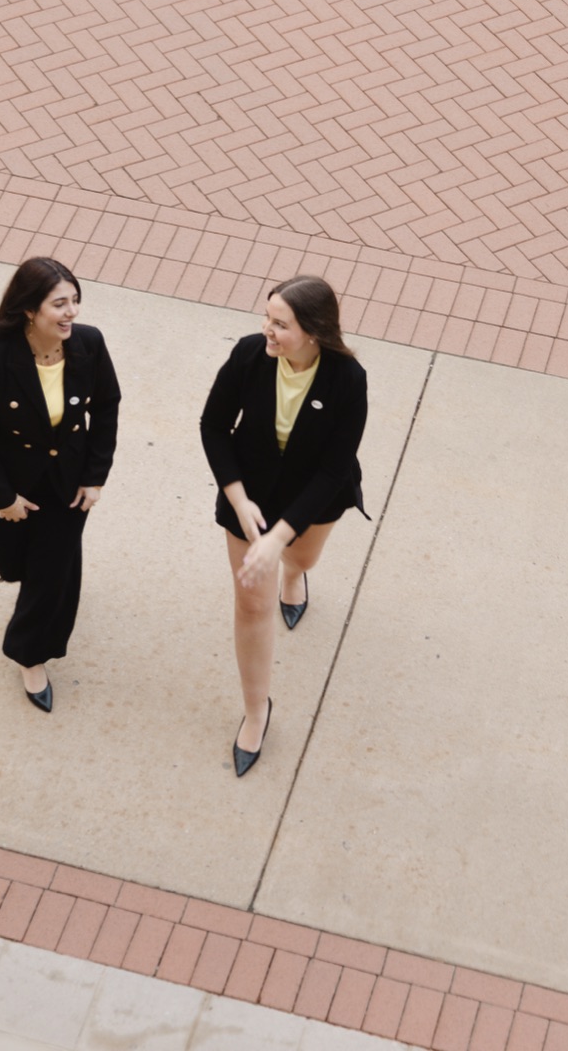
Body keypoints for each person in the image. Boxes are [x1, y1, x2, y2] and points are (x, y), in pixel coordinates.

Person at [200, 275, 369, 775]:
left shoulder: (347, 379)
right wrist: (237, 497)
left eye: (280, 324)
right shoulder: (250, 355)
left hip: (312, 498)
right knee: (252, 601)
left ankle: (295, 577)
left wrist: (280, 537)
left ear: (314, 331)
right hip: (248, 494)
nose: (266, 331)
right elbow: (213, 425)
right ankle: (257, 710)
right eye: (267, 318)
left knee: (301, 558)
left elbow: (334, 469)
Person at [0, 257, 120, 712]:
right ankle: (53, 576)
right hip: (6, 483)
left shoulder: (89, 344)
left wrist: (95, 476)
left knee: (49, 574)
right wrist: (3, 498)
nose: (71, 313)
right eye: (59, 304)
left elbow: (106, 405)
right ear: (30, 309)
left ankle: (30, 655)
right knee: (15, 565)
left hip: (66, 484)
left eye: (74, 301)